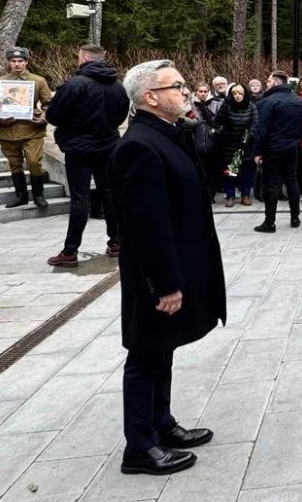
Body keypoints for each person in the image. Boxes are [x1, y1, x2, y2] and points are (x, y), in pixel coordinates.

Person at [111, 60, 225, 476]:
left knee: (162, 351)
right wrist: (165, 284)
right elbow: (145, 225)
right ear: (150, 97)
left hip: (173, 268)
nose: (185, 91)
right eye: (175, 86)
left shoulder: (167, 134)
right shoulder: (140, 145)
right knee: (145, 357)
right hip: (154, 278)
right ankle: (139, 448)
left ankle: (162, 424)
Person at [44, 45, 130, 267]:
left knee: (80, 198)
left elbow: (53, 115)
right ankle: (117, 241)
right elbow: (121, 116)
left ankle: (70, 251)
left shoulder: (74, 85)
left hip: (79, 148)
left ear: (85, 58)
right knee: (110, 194)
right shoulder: (118, 87)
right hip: (108, 145)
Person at [0, 47, 54, 210]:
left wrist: (43, 119)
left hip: (32, 128)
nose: (17, 64)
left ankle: (38, 194)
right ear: (9, 62)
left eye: (20, 61)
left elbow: (49, 104)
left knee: (33, 162)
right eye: (13, 61)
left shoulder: (38, 81)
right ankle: (21, 195)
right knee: (14, 163)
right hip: (8, 130)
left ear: (26, 62)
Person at [253, 72, 302, 232]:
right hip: (291, 147)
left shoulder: (267, 102)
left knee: (272, 184)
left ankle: (270, 222)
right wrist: (296, 142)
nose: (266, 84)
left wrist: (258, 152)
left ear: (276, 83)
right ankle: (295, 217)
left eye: (268, 81)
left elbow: (261, 130)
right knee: (292, 180)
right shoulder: (298, 100)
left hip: (273, 149)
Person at [214, 84, 257, 208]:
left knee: (246, 171)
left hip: (246, 144)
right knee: (230, 171)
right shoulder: (227, 106)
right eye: (235, 94)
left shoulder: (251, 106)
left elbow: (255, 124)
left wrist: (245, 140)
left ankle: (246, 195)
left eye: (240, 93)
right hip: (230, 143)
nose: (238, 96)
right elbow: (219, 123)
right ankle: (230, 195)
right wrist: (224, 109)